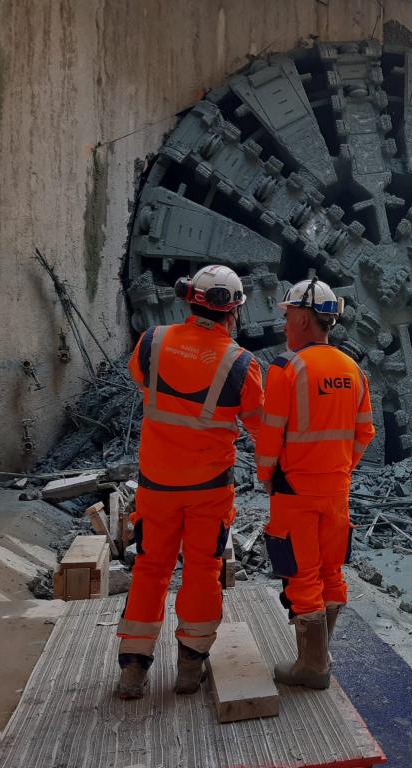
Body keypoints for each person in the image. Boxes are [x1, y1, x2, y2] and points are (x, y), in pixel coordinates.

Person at [116, 264, 264, 700]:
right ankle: (189, 668)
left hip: (156, 485)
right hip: (209, 489)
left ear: (188, 300)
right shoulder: (241, 363)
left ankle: (133, 670)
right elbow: (259, 422)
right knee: (203, 571)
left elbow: (140, 379)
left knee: (150, 568)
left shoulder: (153, 342)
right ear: (233, 311)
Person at [257, 277, 375, 689]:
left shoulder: (286, 368)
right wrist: (341, 469)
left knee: (301, 575)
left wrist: (266, 477)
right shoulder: (353, 370)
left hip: (295, 491)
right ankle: (322, 654)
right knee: (331, 572)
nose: (285, 323)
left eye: (289, 315)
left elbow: (270, 434)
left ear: (305, 319)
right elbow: (365, 432)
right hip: (337, 491)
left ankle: (312, 667)